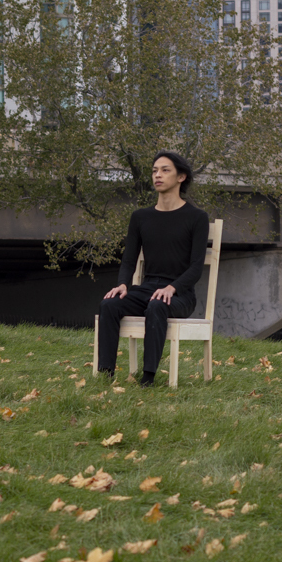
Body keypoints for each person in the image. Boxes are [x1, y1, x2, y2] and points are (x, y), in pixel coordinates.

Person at [95, 151, 210, 386]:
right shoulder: (140, 217)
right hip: (147, 289)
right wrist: (123, 284)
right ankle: (105, 375)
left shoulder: (197, 217)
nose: (157, 175)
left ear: (181, 177)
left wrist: (172, 288)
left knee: (157, 305)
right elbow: (129, 259)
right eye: (155, 170)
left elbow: (196, 267)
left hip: (180, 294)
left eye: (165, 170)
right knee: (109, 304)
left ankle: (148, 378)